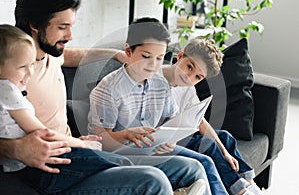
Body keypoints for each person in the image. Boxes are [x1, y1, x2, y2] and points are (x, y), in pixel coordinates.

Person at [0, 0, 209, 194]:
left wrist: (115, 54)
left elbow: (73, 55)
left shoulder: (52, 55)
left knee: (192, 167)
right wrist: (15, 148)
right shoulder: (14, 76)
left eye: (71, 26)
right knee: (154, 180)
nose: (70, 35)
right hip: (56, 168)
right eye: (62, 27)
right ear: (35, 25)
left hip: (78, 151)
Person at [87, 17, 214, 195]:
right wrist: (127, 134)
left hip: (149, 148)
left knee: (197, 166)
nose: (153, 65)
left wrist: (170, 139)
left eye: (160, 58)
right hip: (117, 155)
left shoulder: (161, 83)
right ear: (128, 51)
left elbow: (172, 119)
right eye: (146, 57)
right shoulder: (108, 90)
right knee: (174, 172)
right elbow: (101, 143)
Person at [162, 38, 263, 195]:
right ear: (180, 56)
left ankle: (249, 183)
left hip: (183, 133)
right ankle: (240, 190)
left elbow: (200, 121)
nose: (190, 78)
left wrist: (225, 153)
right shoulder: (157, 82)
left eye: (198, 77)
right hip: (168, 140)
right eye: (189, 67)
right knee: (207, 144)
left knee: (225, 137)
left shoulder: (187, 87)